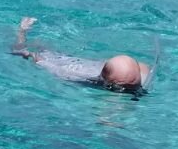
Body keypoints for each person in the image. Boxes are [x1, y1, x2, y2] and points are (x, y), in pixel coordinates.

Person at [11, 16, 153, 96]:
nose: (133, 86)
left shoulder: (123, 76)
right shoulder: (74, 75)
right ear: (106, 79)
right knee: (22, 51)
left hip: (79, 61)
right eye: (129, 85)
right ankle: (22, 31)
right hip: (62, 65)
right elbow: (40, 61)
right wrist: (32, 56)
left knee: (45, 48)